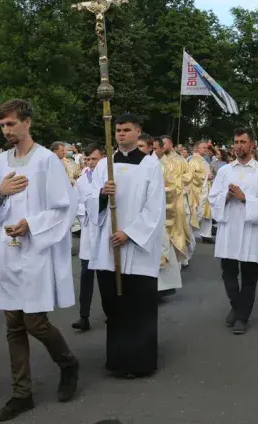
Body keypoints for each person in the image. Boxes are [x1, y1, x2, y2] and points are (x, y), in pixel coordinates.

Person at [0, 99, 79, 422]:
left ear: (27, 122)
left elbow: (63, 206)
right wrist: (2, 193)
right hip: (8, 252)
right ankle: (21, 393)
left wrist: (32, 224)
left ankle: (67, 362)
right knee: (13, 324)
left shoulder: (47, 161)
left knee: (34, 321)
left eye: (11, 124)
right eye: (2, 126)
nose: (6, 130)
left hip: (34, 249)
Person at [88, 113, 165, 378]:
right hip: (109, 247)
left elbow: (155, 209)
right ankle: (118, 359)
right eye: (118, 130)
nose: (121, 134)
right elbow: (87, 201)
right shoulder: (104, 165)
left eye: (126, 130)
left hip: (137, 247)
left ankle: (141, 362)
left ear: (138, 132)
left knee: (139, 307)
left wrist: (129, 234)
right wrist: (100, 196)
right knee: (115, 305)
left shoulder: (150, 166)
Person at [208, 129, 258, 334]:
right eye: (236, 142)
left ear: (252, 145)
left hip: (250, 229)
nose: (238, 146)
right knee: (228, 274)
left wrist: (244, 197)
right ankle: (237, 306)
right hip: (229, 227)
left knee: (248, 276)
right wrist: (227, 197)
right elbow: (213, 197)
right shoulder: (225, 171)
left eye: (242, 142)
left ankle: (242, 318)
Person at [72, 143, 103, 332]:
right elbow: (77, 203)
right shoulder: (82, 180)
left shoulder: (109, 177)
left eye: (95, 159)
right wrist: (87, 212)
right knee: (86, 277)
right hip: (88, 231)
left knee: (106, 279)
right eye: (88, 159)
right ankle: (84, 316)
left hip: (104, 231)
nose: (91, 162)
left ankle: (113, 315)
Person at [153, 137, 184, 296]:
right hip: (149, 214)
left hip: (162, 211)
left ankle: (163, 287)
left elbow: (173, 187)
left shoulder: (164, 165)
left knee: (163, 247)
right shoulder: (148, 164)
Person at [188, 141, 214, 242]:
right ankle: (189, 232)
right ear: (197, 149)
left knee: (208, 212)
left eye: (206, 147)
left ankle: (206, 235)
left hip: (206, 189)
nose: (206, 149)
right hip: (199, 191)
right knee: (199, 212)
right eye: (203, 147)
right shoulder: (193, 161)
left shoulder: (204, 160)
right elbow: (191, 175)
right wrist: (207, 176)